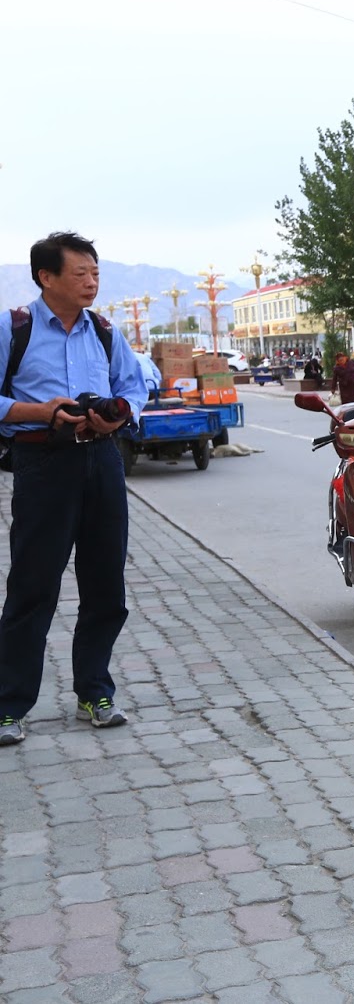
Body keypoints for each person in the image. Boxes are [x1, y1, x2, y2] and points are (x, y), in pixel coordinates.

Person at [0, 231, 148, 746]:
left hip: (102, 460)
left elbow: (133, 386)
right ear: (46, 277)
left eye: (96, 273)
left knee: (106, 585)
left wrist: (119, 415)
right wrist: (40, 411)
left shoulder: (104, 331)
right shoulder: (13, 328)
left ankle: (95, 693)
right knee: (32, 587)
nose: (91, 282)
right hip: (42, 462)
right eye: (80, 273)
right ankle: (9, 705)